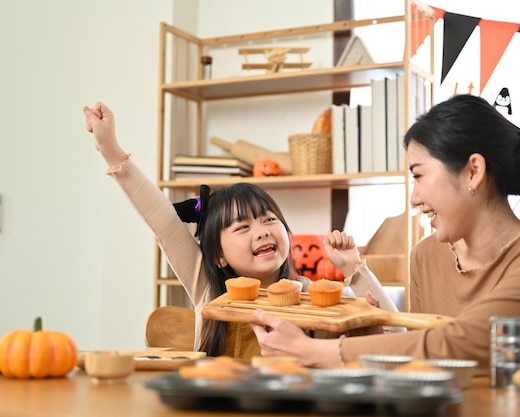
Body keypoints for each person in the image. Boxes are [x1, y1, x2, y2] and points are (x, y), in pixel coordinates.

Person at [251, 94, 520, 374]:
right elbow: (422, 364)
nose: (414, 198)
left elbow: (465, 343)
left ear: (473, 171)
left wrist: (312, 351)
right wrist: (373, 336)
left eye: (419, 176)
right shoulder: (426, 256)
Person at [82, 101, 397, 360]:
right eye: (243, 226)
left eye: (268, 220)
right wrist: (110, 149)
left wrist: (355, 270)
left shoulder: (316, 296)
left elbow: (398, 338)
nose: (261, 231)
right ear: (218, 256)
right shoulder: (210, 291)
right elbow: (162, 221)